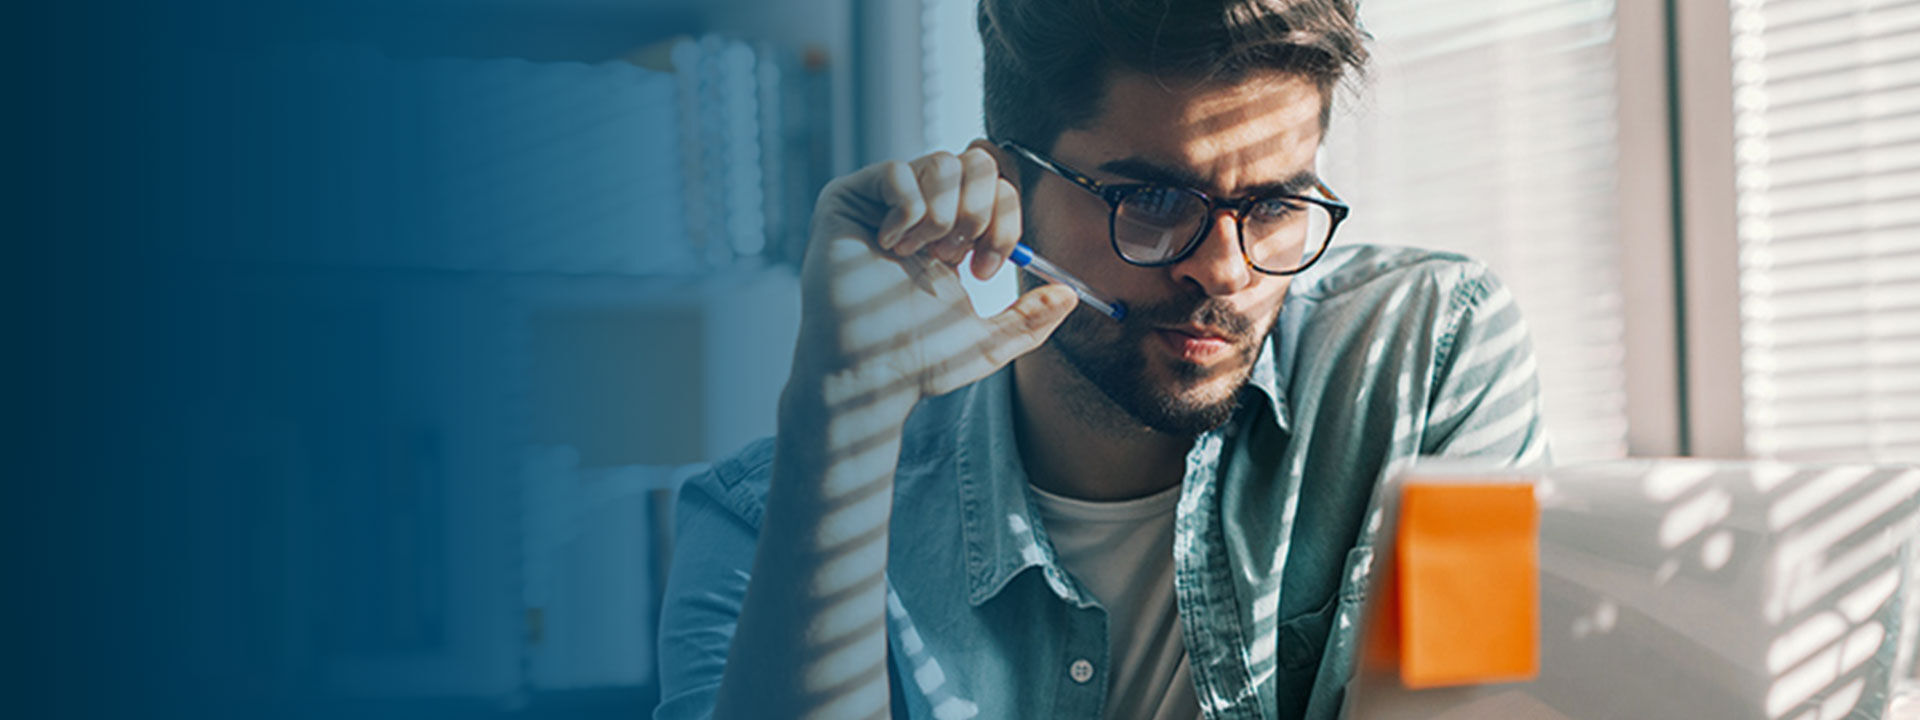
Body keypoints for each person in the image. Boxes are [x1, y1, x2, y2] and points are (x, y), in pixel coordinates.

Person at [656, 1, 1548, 718]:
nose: (1226, 269)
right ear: (1006, 191)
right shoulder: (767, 519)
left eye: (1275, 205)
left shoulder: (1426, 349)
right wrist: (843, 417)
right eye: (1154, 198)